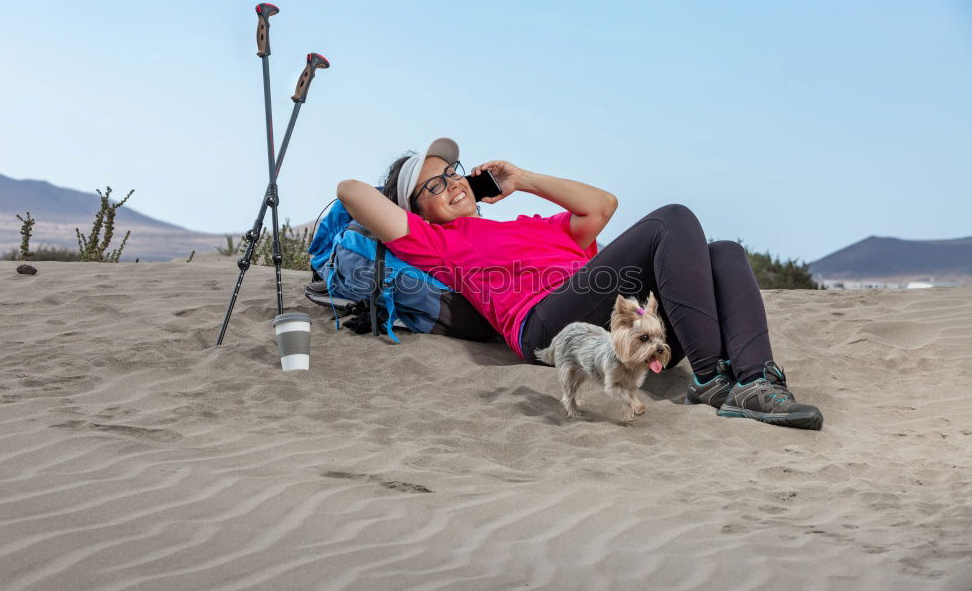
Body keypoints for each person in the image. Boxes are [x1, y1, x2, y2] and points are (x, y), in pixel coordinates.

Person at [336, 137, 823, 430]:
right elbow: (350, 192)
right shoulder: (432, 241)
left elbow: (602, 206)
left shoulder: (526, 222)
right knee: (671, 218)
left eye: (452, 174)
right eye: (434, 186)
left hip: (611, 317)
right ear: (413, 209)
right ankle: (713, 379)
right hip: (548, 327)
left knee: (725, 253)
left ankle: (756, 382)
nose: (454, 184)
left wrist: (522, 179)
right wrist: (401, 213)